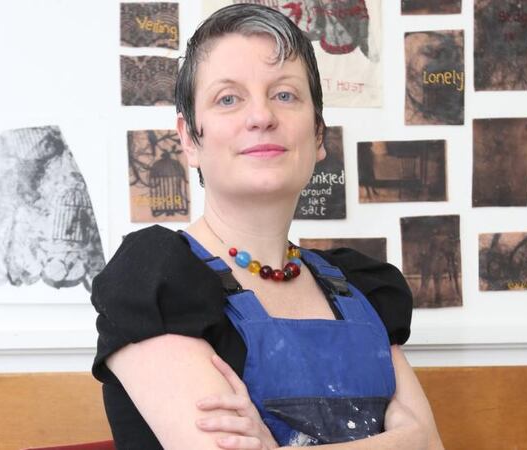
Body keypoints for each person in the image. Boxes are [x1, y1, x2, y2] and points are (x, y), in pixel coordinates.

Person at [91, 4, 444, 449]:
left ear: (318, 134)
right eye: (228, 99)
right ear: (189, 138)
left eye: (284, 95)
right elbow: (417, 441)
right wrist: (401, 440)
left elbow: (432, 445)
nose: (261, 117)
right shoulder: (154, 278)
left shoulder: (363, 288)